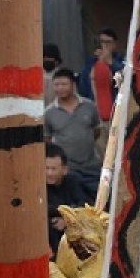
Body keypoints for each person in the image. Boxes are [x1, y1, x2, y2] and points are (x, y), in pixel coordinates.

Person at [45, 68, 102, 201]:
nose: (60, 88)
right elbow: (47, 140)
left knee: (97, 200)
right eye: (56, 85)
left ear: (73, 85)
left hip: (91, 165)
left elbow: (96, 131)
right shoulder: (49, 113)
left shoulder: (89, 106)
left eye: (64, 84)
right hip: (69, 169)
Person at [45, 144, 87, 254]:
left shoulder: (73, 181)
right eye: (46, 168)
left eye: (53, 169)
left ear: (64, 170)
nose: (49, 173)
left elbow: (83, 205)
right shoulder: (38, 184)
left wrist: (67, 221)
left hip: (72, 228)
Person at [79, 28, 125, 122]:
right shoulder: (90, 64)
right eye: (101, 42)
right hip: (94, 115)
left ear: (114, 44)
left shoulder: (121, 61)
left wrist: (110, 62)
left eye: (108, 42)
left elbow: (126, 78)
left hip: (117, 113)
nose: (104, 45)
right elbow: (83, 89)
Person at [43, 43, 63, 107]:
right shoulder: (36, 77)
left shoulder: (64, 77)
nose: (46, 59)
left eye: (49, 57)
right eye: (44, 57)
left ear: (56, 60)